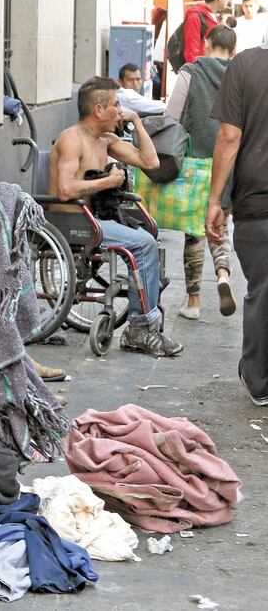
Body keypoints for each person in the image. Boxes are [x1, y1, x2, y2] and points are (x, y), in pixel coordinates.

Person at [49, 77, 183, 358]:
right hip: (74, 222)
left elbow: (151, 162)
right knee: (143, 245)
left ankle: (146, 314)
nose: (120, 110)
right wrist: (106, 183)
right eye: (117, 105)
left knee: (148, 236)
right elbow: (64, 189)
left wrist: (136, 120)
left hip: (96, 219)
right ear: (99, 110)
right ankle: (140, 328)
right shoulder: (71, 139)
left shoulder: (105, 140)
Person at [206, 28, 268, 407]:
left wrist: (216, 199)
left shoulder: (245, 65)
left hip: (258, 203)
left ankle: (260, 381)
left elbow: (230, 135)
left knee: (263, 290)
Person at [165, 24, 237, 320]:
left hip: (196, 164)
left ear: (207, 43)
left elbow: (171, 116)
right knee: (220, 226)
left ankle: (193, 301)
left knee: (194, 231)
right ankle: (223, 274)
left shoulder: (190, 72)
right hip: (230, 164)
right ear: (234, 50)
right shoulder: (239, 76)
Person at [183, 0, 231, 65]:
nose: (228, 0)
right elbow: (191, 53)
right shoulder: (195, 17)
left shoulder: (215, 17)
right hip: (201, 72)